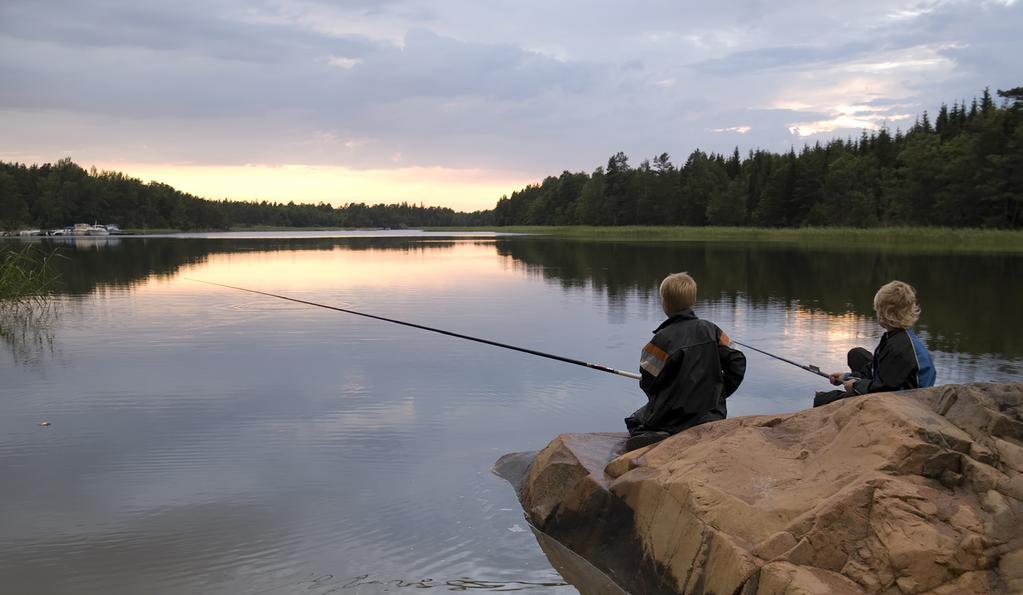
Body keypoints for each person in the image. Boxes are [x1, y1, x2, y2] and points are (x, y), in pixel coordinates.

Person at [624, 272, 746, 451]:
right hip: (711, 415)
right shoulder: (712, 330)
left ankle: (659, 436)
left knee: (635, 420)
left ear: (664, 303)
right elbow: (738, 362)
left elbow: (647, 381)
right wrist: (719, 392)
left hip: (670, 417)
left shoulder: (660, 340)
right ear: (693, 301)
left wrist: (661, 398)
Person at [813, 280, 936, 408]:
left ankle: (826, 400)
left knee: (823, 400)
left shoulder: (898, 348)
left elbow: (884, 389)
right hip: (894, 384)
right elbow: (877, 369)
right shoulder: (899, 336)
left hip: (907, 402)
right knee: (857, 354)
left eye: (877, 310)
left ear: (884, 314)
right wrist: (846, 377)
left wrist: (855, 386)